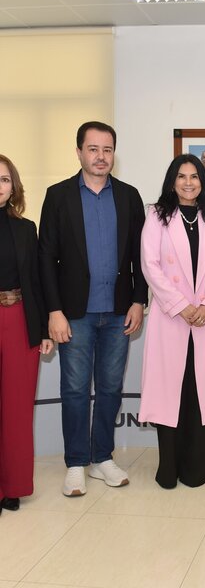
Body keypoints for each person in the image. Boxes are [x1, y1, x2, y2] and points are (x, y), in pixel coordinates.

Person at [39, 121, 148, 497]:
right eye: (93, 149)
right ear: (79, 152)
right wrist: (53, 310)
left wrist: (139, 300)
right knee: (73, 389)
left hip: (119, 311)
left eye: (107, 149)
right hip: (75, 314)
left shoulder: (129, 196)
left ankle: (102, 457)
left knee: (110, 388)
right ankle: (75, 463)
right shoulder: (58, 196)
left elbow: (140, 256)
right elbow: (46, 257)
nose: (101, 157)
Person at [139, 154, 205, 488]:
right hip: (171, 319)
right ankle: (169, 468)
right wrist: (180, 305)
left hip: (204, 321)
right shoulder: (157, 215)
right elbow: (150, 265)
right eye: (182, 176)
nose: (188, 182)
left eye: (194, 177)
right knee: (171, 392)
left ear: (203, 183)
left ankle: (197, 469)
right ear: (172, 181)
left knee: (198, 392)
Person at [0, 155, 53, 515]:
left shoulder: (25, 228)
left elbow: (36, 281)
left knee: (17, 410)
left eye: (5, 179)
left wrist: (44, 328)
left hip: (19, 320)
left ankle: (14, 485)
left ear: (13, 186)